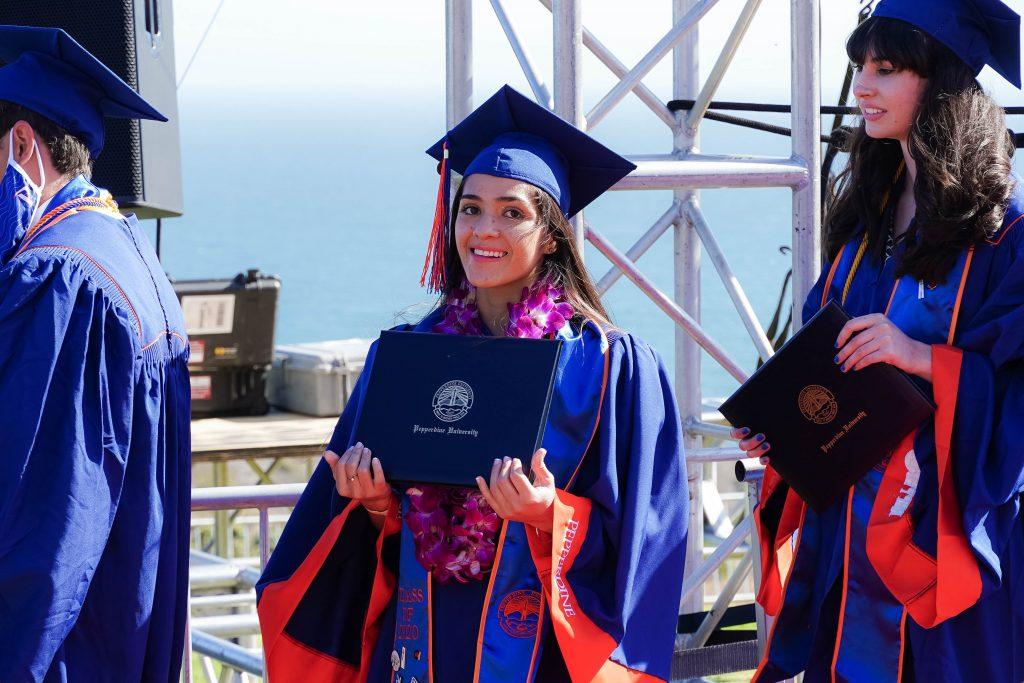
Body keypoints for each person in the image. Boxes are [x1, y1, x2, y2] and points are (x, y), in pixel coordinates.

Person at [257, 85, 689, 682]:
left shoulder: (612, 368)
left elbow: (649, 536)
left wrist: (549, 515)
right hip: (416, 643)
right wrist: (375, 502)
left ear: (553, 233)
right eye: (470, 207)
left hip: (544, 651)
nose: (484, 229)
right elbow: (347, 535)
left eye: (512, 212)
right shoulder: (407, 357)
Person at [731, 1, 1024, 680]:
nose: (862, 85)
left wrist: (922, 358)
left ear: (942, 83)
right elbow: (822, 358)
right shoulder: (866, 231)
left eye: (886, 69)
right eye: (860, 65)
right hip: (849, 541)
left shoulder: (1006, 240)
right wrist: (784, 428)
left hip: (940, 546)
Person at [0, 27, 191, 681]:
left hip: (59, 655)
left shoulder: (59, 279)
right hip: (121, 643)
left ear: (21, 144)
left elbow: (36, 530)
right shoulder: (130, 257)